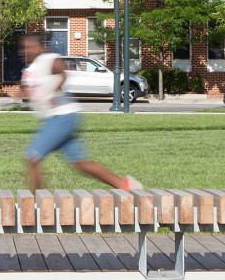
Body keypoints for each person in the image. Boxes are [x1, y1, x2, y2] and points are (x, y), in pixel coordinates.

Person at [20, 32, 142, 192]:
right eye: (23, 48)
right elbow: (33, 88)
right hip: (62, 117)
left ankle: (38, 203)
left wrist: (56, 90)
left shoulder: (47, 59)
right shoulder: (32, 68)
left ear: (40, 47)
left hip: (61, 117)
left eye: (29, 47)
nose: (25, 51)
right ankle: (125, 185)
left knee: (33, 158)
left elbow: (63, 72)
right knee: (80, 163)